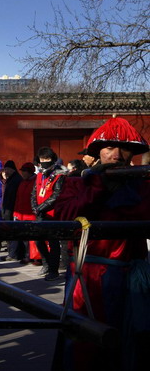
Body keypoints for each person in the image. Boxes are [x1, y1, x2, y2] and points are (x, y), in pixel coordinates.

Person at [54, 117, 150, 371]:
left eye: (123, 148)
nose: (116, 155)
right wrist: (98, 188)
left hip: (130, 278)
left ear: (132, 153)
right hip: (86, 277)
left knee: (128, 343)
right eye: (109, 148)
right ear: (98, 151)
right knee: (83, 344)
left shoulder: (144, 186)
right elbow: (64, 219)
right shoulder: (76, 183)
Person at [31, 147, 66, 281]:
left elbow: (56, 195)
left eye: (47, 159)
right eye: (42, 159)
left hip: (53, 213)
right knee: (38, 240)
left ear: (53, 159)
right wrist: (35, 207)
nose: (44, 162)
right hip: (40, 212)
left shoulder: (59, 175)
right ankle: (46, 263)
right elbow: (34, 192)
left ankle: (53, 269)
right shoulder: (40, 174)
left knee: (53, 242)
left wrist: (42, 207)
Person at [12, 162, 37, 264]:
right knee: (25, 239)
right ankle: (27, 256)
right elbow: (18, 199)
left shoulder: (35, 182)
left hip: (31, 214)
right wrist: (16, 213)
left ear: (30, 172)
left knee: (33, 239)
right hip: (22, 214)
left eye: (24, 171)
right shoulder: (22, 183)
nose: (22, 173)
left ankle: (35, 257)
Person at [1, 160, 24, 261]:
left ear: (12, 169)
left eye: (7, 169)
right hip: (8, 208)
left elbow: (14, 196)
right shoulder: (11, 179)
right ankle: (12, 253)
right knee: (10, 232)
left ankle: (13, 254)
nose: (5, 171)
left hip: (12, 209)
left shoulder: (16, 179)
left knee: (12, 232)